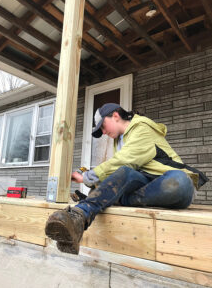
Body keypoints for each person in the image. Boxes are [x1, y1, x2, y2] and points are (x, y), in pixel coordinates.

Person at [45, 103, 208, 254]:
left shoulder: (142, 127)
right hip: (144, 186)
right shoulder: (120, 140)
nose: (103, 132)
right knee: (124, 172)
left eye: (103, 125)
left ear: (115, 116)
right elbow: (122, 170)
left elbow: (125, 160)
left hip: (167, 183)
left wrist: (88, 177)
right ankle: (77, 218)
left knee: (178, 181)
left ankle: (117, 199)